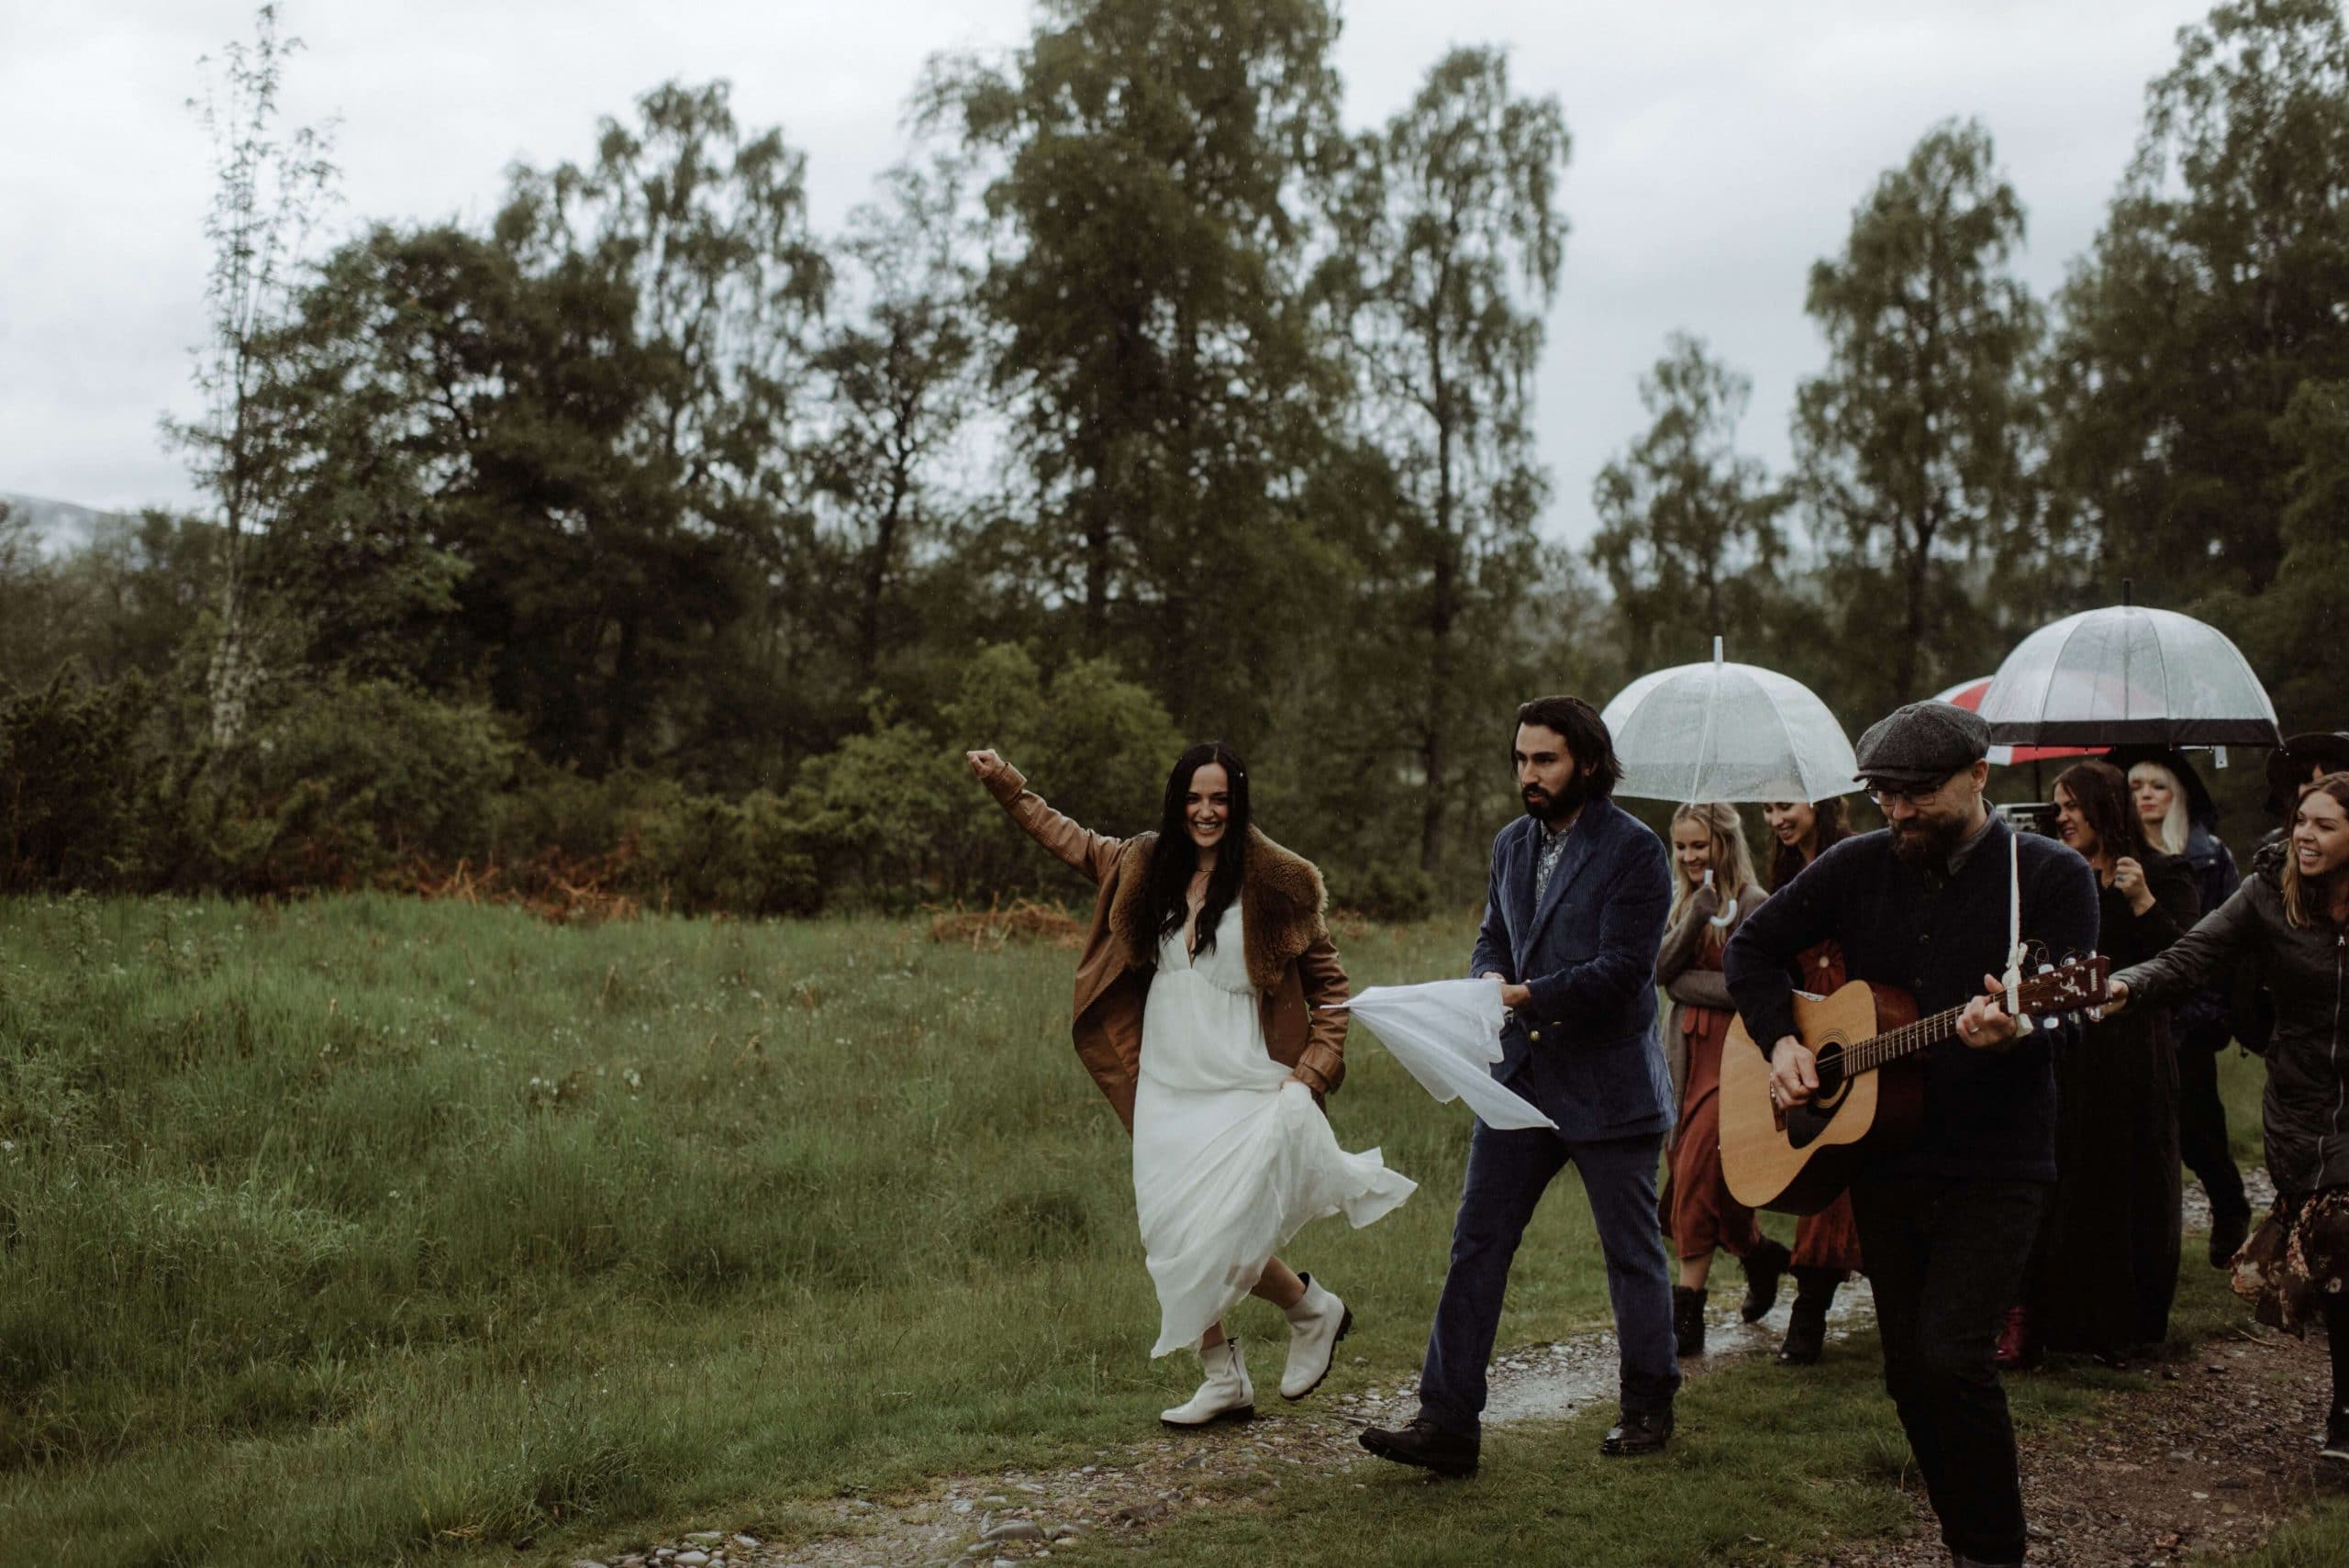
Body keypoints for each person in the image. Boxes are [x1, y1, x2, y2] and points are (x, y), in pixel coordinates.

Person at [1723, 701, 2099, 1568]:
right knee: (1906, 1372)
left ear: (1979, 776)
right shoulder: (1858, 864)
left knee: (1952, 1357)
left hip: (1999, 1158)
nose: (1897, 812)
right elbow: (1751, 947)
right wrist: (1782, 1037)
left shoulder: (2046, 876)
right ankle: (1966, 1536)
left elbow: (2073, 1015)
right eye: (1885, 794)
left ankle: (1992, 1551)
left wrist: (2022, 1026)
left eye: (1917, 794)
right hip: (1885, 1157)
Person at [967, 741, 1413, 1428]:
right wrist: (1008, 786)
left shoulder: (1282, 881)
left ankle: (1309, 1309)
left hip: (1244, 1072)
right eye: (1194, 799)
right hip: (1168, 1076)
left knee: (1224, 1221)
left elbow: (1331, 991)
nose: (1206, 813)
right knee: (1173, 1226)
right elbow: (1069, 838)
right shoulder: (1142, 864)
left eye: (1220, 800)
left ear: (1237, 805)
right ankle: (1227, 1374)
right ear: (1178, 804)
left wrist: (1313, 1071)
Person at [1360, 695, 1679, 1476]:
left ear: (1589, 764)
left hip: (1610, 1087)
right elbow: (1492, 938)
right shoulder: (1510, 843)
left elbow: (1624, 973)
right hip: (1519, 1083)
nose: (1528, 775)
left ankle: (1647, 1404)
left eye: (1545, 760)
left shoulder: (1636, 851)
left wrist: (1527, 996)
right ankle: (1447, 1422)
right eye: (1520, 760)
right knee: (1476, 1244)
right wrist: (1488, 979)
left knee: (1631, 1256)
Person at [2106, 773, 2349, 1461]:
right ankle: (2345, 1407)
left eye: (2325, 825)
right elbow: (2191, 956)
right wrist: (2127, 984)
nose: (2304, 834)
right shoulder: (2268, 894)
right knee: (2339, 1233)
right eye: (2302, 820)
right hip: (2302, 1105)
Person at [2009, 760, 2194, 1366]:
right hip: (2075, 1050)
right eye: (2056, 806)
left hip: (2133, 1051)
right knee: (2071, 1177)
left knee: (2127, 1175)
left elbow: (2187, 962)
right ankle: (2062, 1324)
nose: (2060, 816)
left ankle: (2127, 1324)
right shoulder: (2059, 877)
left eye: (2070, 805)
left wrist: (2142, 902)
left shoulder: (2163, 872)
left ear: (2101, 809)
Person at [1656, 802, 1783, 1359]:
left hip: (1734, 1061)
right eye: (1681, 846)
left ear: (1724, 845)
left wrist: (1686, 984)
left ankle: (1688, 1314)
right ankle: (1762, 1256)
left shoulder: (1754, 905)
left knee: (1698, 1168)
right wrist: (1694, 918)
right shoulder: (1684, 902)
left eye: (1698, 846)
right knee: (1709, 1179)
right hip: (1685, 1055)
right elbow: (1659, 971)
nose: (1688, 856)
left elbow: (1744, 989)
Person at [2119, 749, 2252, 1264]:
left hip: (2193, 1013)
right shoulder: (2122, 855)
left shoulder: (2210, 854)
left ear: (2177, 796)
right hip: (2138, 1003)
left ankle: (2230, 1207)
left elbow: (2228, 939)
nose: (2145, 796)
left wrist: (2210, 1011)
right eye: (2134, 787)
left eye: (2157, 786)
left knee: (2200, 1128)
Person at [1759, 795, 1865, 1364]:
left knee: (1852, 1161)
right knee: (1818, 1157)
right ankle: (1809, 1311)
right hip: (1805, 1023)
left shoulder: (1850, 858)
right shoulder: (1783, 874)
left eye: (1786, 806)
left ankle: (1810, 1315)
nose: (1777, 820)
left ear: (1820, 803)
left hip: (1857, 1014)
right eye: (1769, 810)